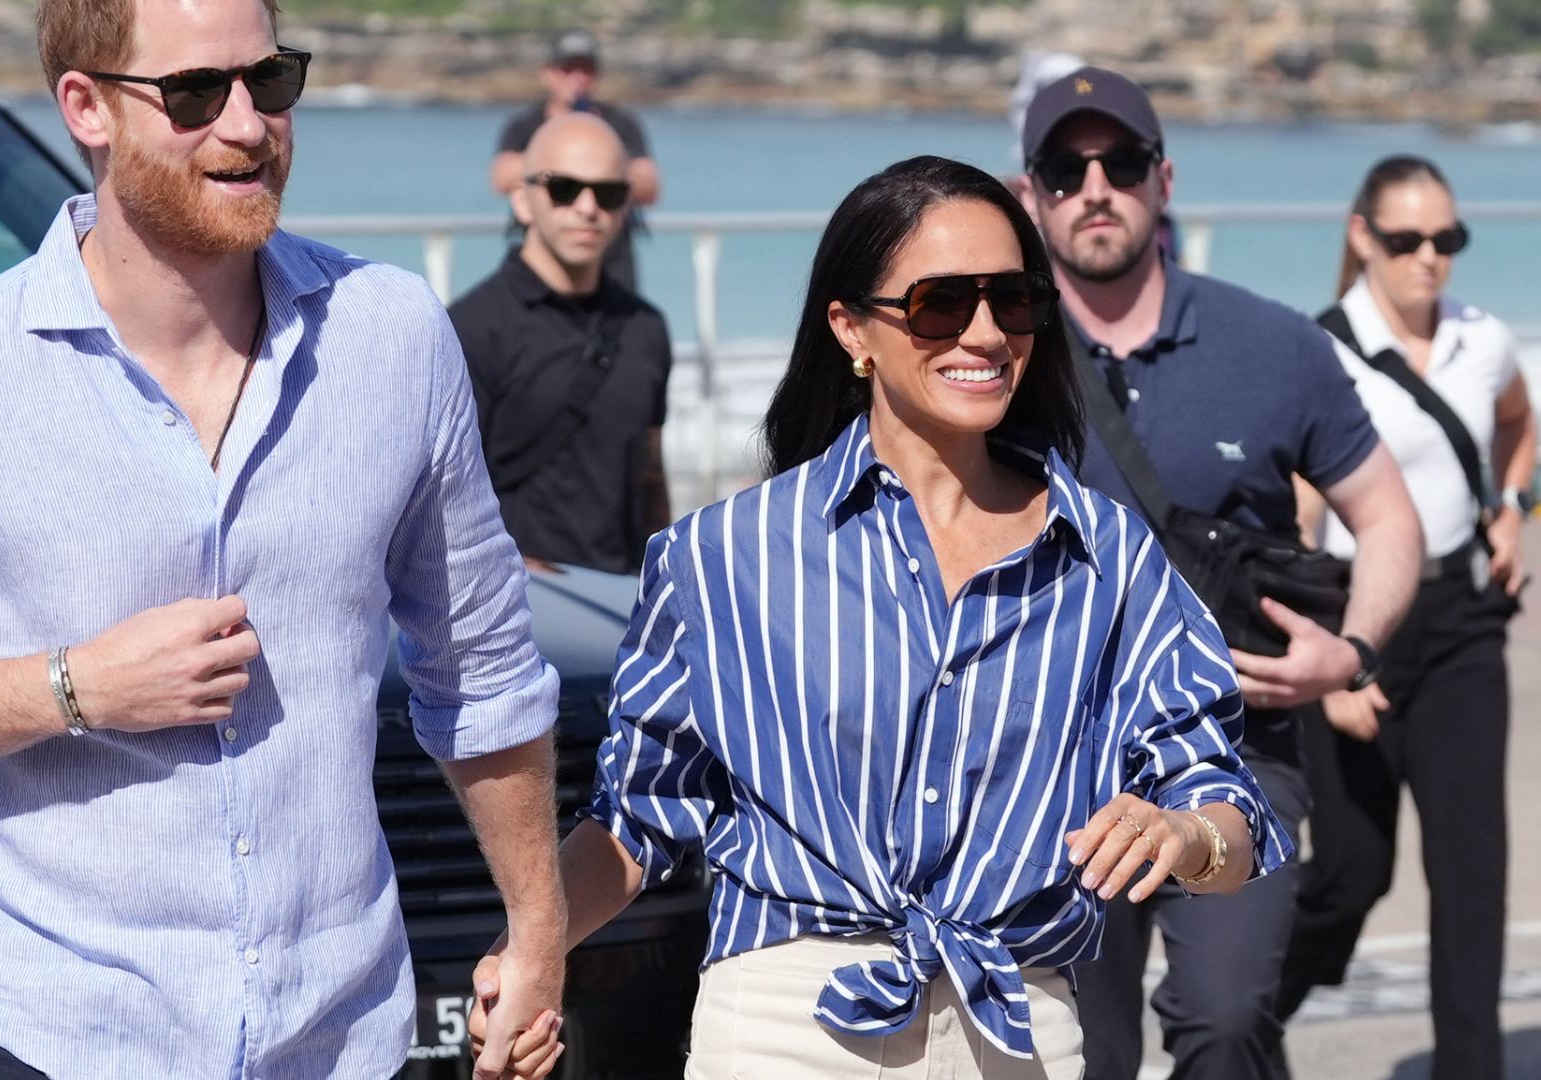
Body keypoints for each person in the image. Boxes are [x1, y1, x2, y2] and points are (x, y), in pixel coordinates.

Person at [0, 0, 567, 1076]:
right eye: (194, 93)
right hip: (50, 1030)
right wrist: (74, 687)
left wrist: (539, 930)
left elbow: (483, 669)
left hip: (334, 1037)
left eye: (269, 80)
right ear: (86, 107)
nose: (247, 124)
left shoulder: (395, 338)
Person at [469, 155, 1293, 1080]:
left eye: (1013, 299)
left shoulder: (1109, 554)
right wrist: (528, 955)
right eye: (942, 304)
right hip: (785, 1033)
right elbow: (639, 818)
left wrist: (1186, 838)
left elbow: (1226, 803)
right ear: (851, 328)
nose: (986, 333)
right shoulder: (723, 555)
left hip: (1021, 1031)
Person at [1012, 68, 1424, 1080]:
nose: (1095, 187)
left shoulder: (1274, 344)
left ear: (1165, 180)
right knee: (1082, 1053)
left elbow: (1387, 517)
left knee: (1226, 1018)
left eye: (1122, 163)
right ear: (1030, 194)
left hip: (1235, 757)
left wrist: (1350, 654)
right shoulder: (992, 355)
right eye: (1065, 168)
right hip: (1051, 772)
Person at [1276, 154, 1533, 1080]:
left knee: (1472, 874)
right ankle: (1241, 1021)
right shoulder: (1324, 351)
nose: (1430, 256)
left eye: (1447, 238)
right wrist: (1335, 664)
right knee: (1352, 872)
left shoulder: (1482, 337)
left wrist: (1513, 508)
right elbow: (1297, 520)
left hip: (1463, 617)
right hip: (1356, 616)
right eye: (1407, 239)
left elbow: (1517, 423)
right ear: (1363, 236)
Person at [451, 112, 672, 575]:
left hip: (624, 595)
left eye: (609, 194)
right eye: (564, 189)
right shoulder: (469, 328)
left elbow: (649, 475)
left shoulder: (646, 328)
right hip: (515, 597)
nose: (588, 208)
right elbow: (440, 493)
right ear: (523, 200)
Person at [490, 29, 660, 291]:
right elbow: (501, 178)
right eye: (567, 69)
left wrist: (595, 151)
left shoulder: (621, 123)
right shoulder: (524, 125)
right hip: (544, 256)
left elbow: (649, 186)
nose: (577, 78)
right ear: (548, 73)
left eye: (586, 70)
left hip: (612, 259)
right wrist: (566, 148)